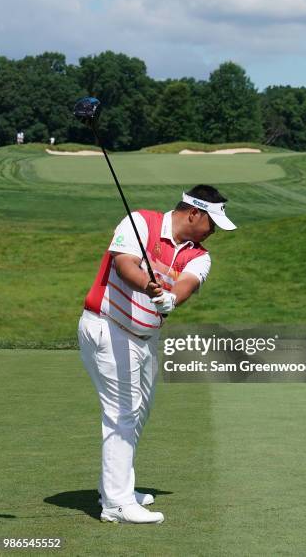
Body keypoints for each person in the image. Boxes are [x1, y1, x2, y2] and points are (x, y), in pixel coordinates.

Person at [78, 185, 236, 524]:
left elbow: (187, 284)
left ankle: (115, 486)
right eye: (212, 223)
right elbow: (124, 265)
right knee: (122, 412)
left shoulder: (199, 254)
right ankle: (117, 504)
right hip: (108, 326)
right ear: (194, 213)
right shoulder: (140, 223)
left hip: (146, 338)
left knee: (138, 414)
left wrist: (171, 299)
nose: (213, 232)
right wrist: (148, 286)